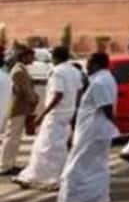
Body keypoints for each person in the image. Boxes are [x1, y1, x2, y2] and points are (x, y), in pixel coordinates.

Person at [36, 53, 119, 202]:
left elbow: (107, 108)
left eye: (89, 63)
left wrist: (113, 126)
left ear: (96, 64)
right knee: (97, 167)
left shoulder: (99, 82)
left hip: (92, 132)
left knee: (73, 168)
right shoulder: (105, 78)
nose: (86, 66)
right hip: (95, 131)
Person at [14, 46, 83, 190]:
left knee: (44, 147)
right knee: (57, 147)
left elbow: (58, 95)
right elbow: (78, 91)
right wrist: (74, 110)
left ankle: (46, 178)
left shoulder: (57, 72)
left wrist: (42, 115)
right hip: (67, 113)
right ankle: (37, 175)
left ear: (55, 57)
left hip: (55, 115)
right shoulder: (75, 71)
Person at [0, 47, 39, 175]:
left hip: (21, 108)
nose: (33, 59)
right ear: (24, 57)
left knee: (15, 137)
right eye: (31, 56)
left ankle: (10, 163)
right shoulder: (18, 71)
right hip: (17, 108)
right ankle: (5, 165)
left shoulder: (21, 69)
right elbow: (25, 90)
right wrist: (34, 100)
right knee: (12, 137)